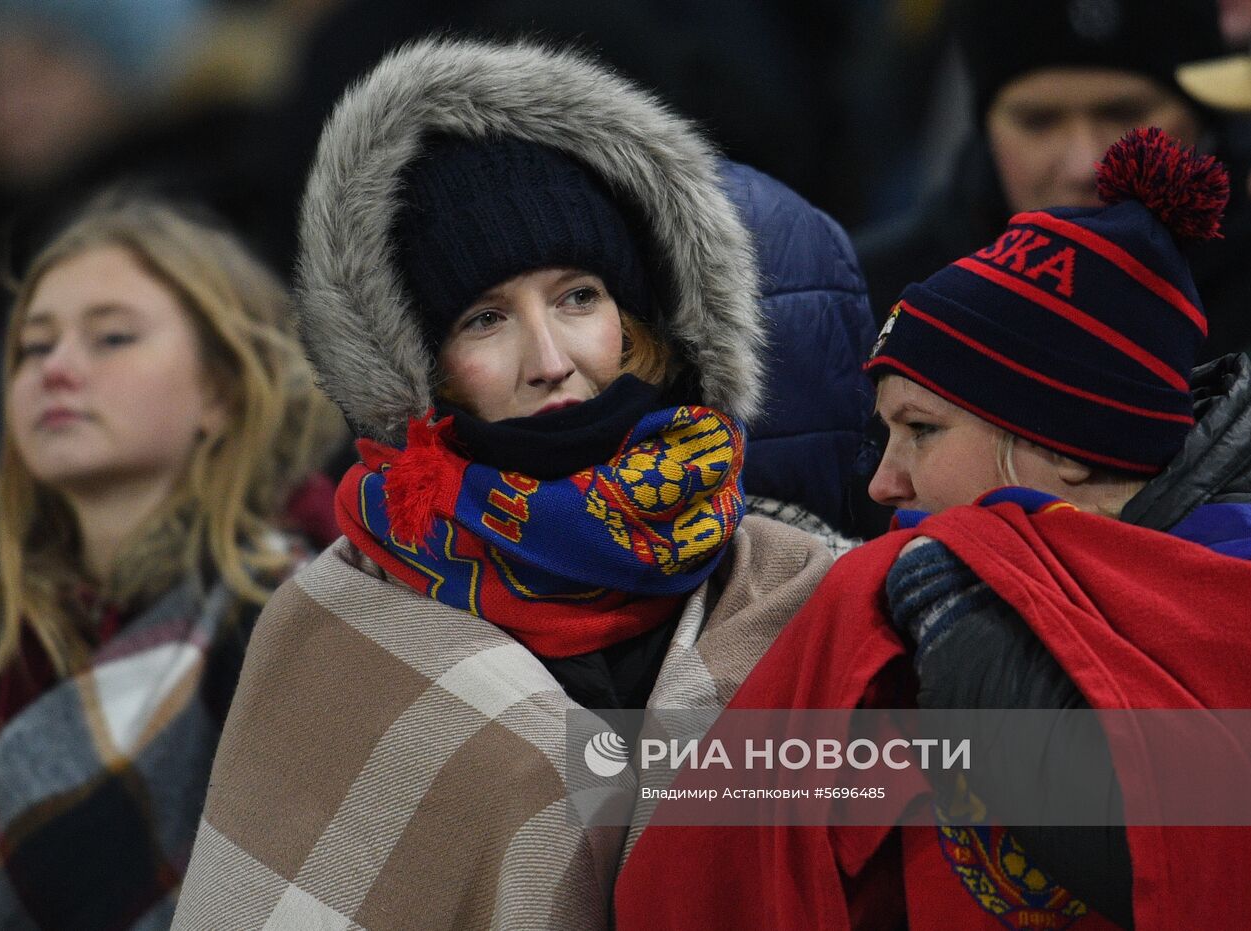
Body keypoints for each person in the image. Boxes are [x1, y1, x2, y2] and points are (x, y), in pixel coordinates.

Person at [171, 37, 852, 929]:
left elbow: (1046, 784)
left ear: (637, 319)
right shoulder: (333, 627)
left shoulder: (796, 584)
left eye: (578, 297)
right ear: (417, 364)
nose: (550, 359)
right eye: (485, 318)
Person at [616, 129, 1251, 929]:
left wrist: (964, 625)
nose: (885, 483)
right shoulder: (892, 599)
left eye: (921, 429)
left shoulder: (1243, 582)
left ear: (1059, 444)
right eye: (884, 436)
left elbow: (1197, 857)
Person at [0, 194, 344, 928]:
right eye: (32, 345)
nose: (56, 369)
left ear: (222, 387)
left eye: (112, 337)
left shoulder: (299, 619)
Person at [856, 0, 1251, 363]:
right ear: (986, 129)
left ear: (1207, 121)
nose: (1084, 165)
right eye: (1038, 122)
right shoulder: (871, 303)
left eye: (1123, 114)